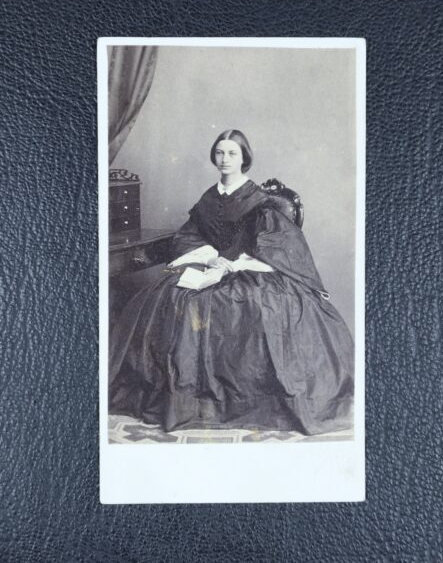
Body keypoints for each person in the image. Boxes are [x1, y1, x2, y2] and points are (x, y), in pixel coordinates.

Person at [109, 129, 354, 436]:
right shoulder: (209, 199)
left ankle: (246, 401)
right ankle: (187, 400)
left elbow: (278, 244)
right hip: (212, 266)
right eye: (220, 153)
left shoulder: (258, 200)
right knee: (176, 296)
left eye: (232, 153)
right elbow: (187, 236)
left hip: (250, 268)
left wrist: (237, 263)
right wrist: (212, 258)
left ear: (244, 158)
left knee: (247, 302)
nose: (225, 159)